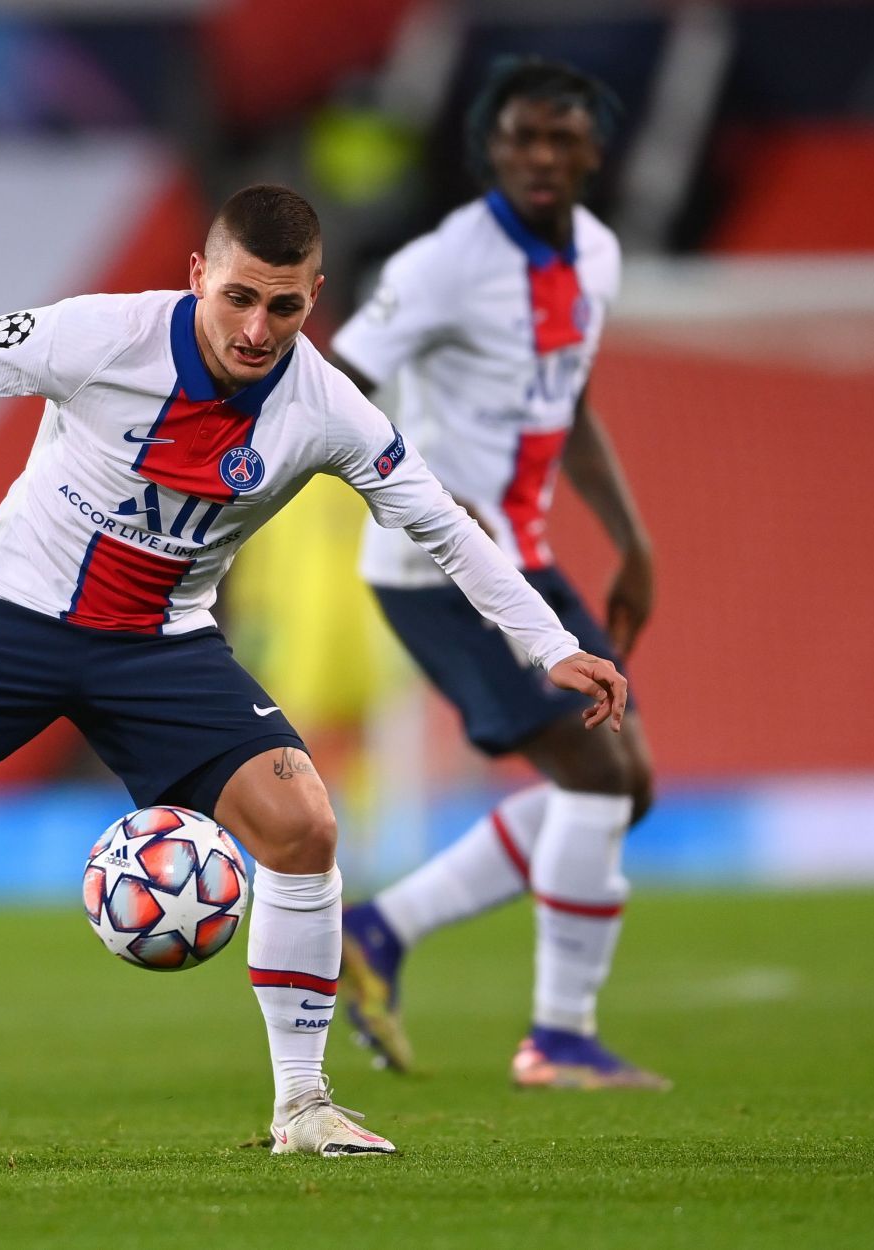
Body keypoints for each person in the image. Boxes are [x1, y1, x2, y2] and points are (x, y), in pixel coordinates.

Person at [0, 183, 630, 1156]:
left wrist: (553, 645)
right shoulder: (97, 337)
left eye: (284, 306)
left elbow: (442, 526)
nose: (256, 328)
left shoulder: (327, 406)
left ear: (314, 298)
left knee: (304, 826)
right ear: (199, 275)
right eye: (239, 297)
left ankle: (304, 1105)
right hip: (14, 608)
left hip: (162, 642)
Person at [328, 57, 666, 1090]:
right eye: (521, 138)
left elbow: (573, 398)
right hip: (437, 568)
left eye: (561, 139)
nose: (540, 156)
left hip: (527, 557)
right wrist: (419, 490)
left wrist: (634, 539)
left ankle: (382, 930)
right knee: (598, 777)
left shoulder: (595, 256)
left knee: (627, 783)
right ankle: (557, 1038)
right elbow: (335, 382)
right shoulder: (440, 264)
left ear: (593, 154)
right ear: (491, 149)